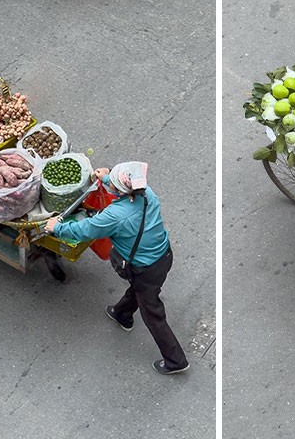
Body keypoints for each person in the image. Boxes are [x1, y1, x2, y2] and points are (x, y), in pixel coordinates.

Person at [44, 161, 190, 375]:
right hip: (164, 255)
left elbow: (85, 230)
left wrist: (56, 227)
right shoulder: (147, 193)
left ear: (121, 190)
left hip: (145, 267)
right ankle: (122, 313)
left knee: (152, 313)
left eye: (113, 181)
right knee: (141, 290)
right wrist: (105, 177)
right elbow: (121, 185)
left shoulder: (116, 215)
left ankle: (176, 360)